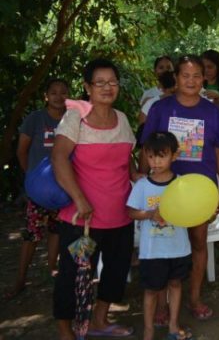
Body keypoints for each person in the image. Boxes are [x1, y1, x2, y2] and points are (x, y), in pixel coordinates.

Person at [52, 59, 137, 339]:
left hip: (120, 217)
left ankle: (100, 320)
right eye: (99, 82)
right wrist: (79, 199)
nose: (107, 87)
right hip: (82, 220)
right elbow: (58, 158)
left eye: (112, 81)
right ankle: (66, 331)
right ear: (88, 87)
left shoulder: (123, 119)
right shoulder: (76, 118)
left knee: (116, 271)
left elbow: (129, 165)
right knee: (73, 274)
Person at [141, 54, 219, 321]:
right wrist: (143, 181)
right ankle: (161, 306)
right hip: (163, 189)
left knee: (198, 243)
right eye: (185, 75)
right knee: (163, 246)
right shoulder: (160, 109)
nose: (190, 81)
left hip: (200, 192)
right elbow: (146, 149)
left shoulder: (212, 111)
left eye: (196, 76)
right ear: (176, 78)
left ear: (204, 79)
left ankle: (194, 298)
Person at [6, 78, 69, 299]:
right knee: (32, 235)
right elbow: (21, 151)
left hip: (63, 191)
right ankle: (20, 280)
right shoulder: (35, 119)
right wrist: (31, 177)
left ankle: (52, 271)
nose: (58, 96)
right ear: (46, 96)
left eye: (63, 92)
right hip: (38, 192)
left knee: (57, 232)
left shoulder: (72, 120)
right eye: (53, 92)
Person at [127, 132, 192, 340]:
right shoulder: (142, 185)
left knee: (175, 284)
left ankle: (173, 325)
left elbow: (190, 209)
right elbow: (130, 211)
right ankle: (149, 331)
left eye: (161, 155)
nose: (156, 161)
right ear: (145, 156)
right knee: (151, 290)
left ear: (174, 156)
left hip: (178, 247)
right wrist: (149, 214)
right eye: (151, 156)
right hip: (152, 251)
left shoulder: (181, 184)